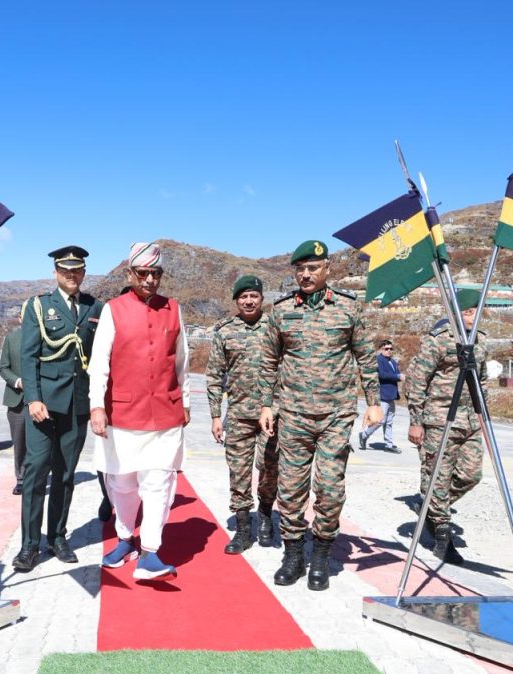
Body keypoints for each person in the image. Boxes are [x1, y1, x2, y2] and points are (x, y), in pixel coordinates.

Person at [258, 240, 382, 591]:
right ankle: (294, 554)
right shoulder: (281, 310)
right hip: (293, 413)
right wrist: (266, 404)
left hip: (335, 415)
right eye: (300, 269)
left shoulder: (348, 307)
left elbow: (365, 357)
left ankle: (322, 555)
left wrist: (374, 401)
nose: (306, 274)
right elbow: (269, 361)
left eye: (313, 268)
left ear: (327, 269)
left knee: (329, 490)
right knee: (291, 490)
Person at [90, 242, 189, 582]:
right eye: (143, 273)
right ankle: (124, 539)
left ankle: (150, 553)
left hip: (165, 413)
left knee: (159, 483)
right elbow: (99, 363)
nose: (150, 280)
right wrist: (97, 405)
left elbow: (181, 361)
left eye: (156, 273)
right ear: (130, 274)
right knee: (122, 483)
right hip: (123, 414)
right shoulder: (113, 309)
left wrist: (185, 402)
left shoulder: (173, 309)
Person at [13, 246, 103, 571]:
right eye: (65, 270)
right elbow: (28, 357)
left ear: (84, 272)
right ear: (55, 273)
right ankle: (29, 545)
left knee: (65, 475)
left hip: (77, 405)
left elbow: (100, 357)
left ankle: (57, 537)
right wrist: (33, 398)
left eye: (77, 270)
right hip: (44, 405)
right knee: (36, 473)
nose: (71, 275)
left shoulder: (95, 307)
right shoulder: (39, 306)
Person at [406, 289, 489, 565]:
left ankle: (430, 506)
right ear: (456, 314)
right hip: (439, 419)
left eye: (477, 311)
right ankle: (442, 536)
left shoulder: (481, 341)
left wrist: (483, 414)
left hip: (470, 420)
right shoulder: (438, 341)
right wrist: (416, 421)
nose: (474, 317)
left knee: (471, 475)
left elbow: (482, 380)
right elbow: (417, 381)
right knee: (438, 477)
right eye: (468, 312)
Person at [205, 274, 280, 554]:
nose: (249, 301)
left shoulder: (275, 327)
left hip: (272, 414)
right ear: (236, 300)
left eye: (254, 296)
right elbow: (214, 375)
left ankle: (265, 514)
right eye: (243, 297)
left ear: (262, 298)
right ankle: (243, 528)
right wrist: (216, 415)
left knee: (269, 469)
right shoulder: (224, 331)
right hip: (238, 415)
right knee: (238, 472)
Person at [0, 304, 29, 494]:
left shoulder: (48, 338)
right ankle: (22, 478)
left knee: (41, 443)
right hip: (17, 399)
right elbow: (3, 367)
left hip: (42, 400)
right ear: (20, 318)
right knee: (19, 442)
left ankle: (37, 476)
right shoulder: (11, 339)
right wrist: (18, 382)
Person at [358, 339, 405, 453]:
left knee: (389, 421)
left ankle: (389, 444)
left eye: (391, 349)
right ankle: (364, 435)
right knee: (380, 420)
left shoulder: (393, 361)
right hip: (383, 395)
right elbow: (382, 375)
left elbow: (395, 374)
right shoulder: (378, 360)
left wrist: (399, 376)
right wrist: (397, 377)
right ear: (381, 349)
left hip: (391, 395)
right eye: (386, 349)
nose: (389, 351)